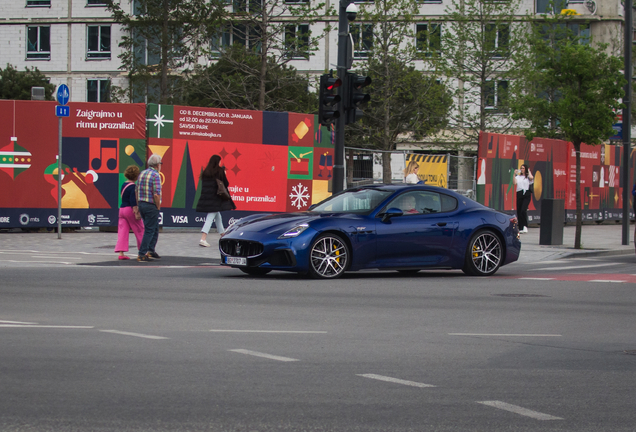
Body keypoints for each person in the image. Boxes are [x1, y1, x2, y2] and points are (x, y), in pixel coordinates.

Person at [195, 155, 237, 247]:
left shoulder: (206, 172)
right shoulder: (219, 171)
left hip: (207, 198)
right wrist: (224, 174)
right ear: (217, 162)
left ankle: (223, 235)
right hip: (215, 198)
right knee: (210, 218)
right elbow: (226, 184)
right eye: (219, 161)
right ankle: (203, 238)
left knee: (218, 216)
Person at [136, 154, 163, 262]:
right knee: (150, 230)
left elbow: (136, 190)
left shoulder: (142, 173)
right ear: (157, 165)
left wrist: (138, 204)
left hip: (142, 203)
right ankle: (142, 253)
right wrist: (158, 206)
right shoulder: (156, 175)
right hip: (151, 205)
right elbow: (156, 194)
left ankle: (151, 250)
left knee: (154, 227)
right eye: (161, 163)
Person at [114, 165, 144, 260]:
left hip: (121, 210)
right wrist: (136, 212)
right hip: (129, 210)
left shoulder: (124, 184)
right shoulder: (133, 187)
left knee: (123, 231)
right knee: (140, 229)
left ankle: (121, 253)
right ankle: (143, 250)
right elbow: (133, 200)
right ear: (136, 176)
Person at [513, 164, 533, 234]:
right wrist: (514, 174)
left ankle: (525, 226)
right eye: (521, 168)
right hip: (519, 193)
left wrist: (529, 171)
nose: (522, 169)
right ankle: (520, 227)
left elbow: (531, 178)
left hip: (526, 193)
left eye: (523, 168)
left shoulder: (527, 177)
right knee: (519, 210)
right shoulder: (518, 177)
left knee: (523, 210)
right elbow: (514, 182)